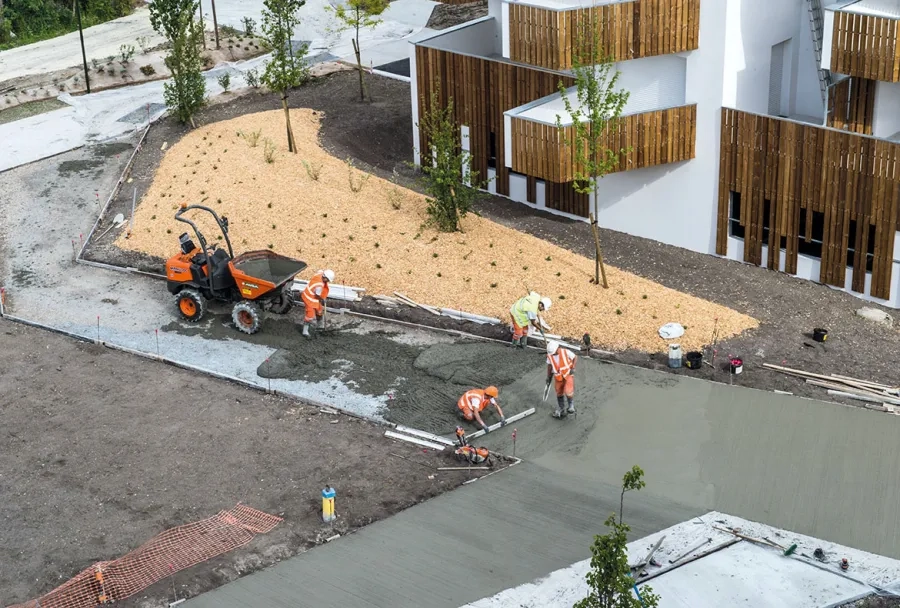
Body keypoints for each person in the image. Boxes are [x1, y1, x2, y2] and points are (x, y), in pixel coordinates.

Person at [546, 340, 577, 418]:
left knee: (568, 391)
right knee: (559, 392)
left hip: (568, 374)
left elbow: (575, 357)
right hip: (558, 376)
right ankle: (561, 408)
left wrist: (573, 367)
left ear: (557, 348)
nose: (553, 354)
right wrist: (549, 376)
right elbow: (549, 366)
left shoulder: (565, 351)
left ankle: (571, 406)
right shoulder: (550, 355)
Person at [301, 269, 334, 337]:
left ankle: (320, 326)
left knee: (319, 310)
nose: (328, 282)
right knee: (310, 315)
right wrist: (323, 299)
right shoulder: (319, 286)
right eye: (327, 280)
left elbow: (320, 270)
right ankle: (305, 331)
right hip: (309, 298)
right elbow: (317, 295)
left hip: (314, 297)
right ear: (325, 277)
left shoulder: (320, 274)